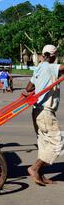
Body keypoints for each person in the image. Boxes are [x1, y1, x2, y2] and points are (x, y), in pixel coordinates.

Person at [22, 45, 64, 185]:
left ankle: (40, 175)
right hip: (46, 112)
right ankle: (35, 168)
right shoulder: (50, 66)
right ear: (53, 56)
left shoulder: (39, 67)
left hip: (37, 110)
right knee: (57, 143)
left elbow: (29, 88)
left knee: (44, 143)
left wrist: (41, 83)